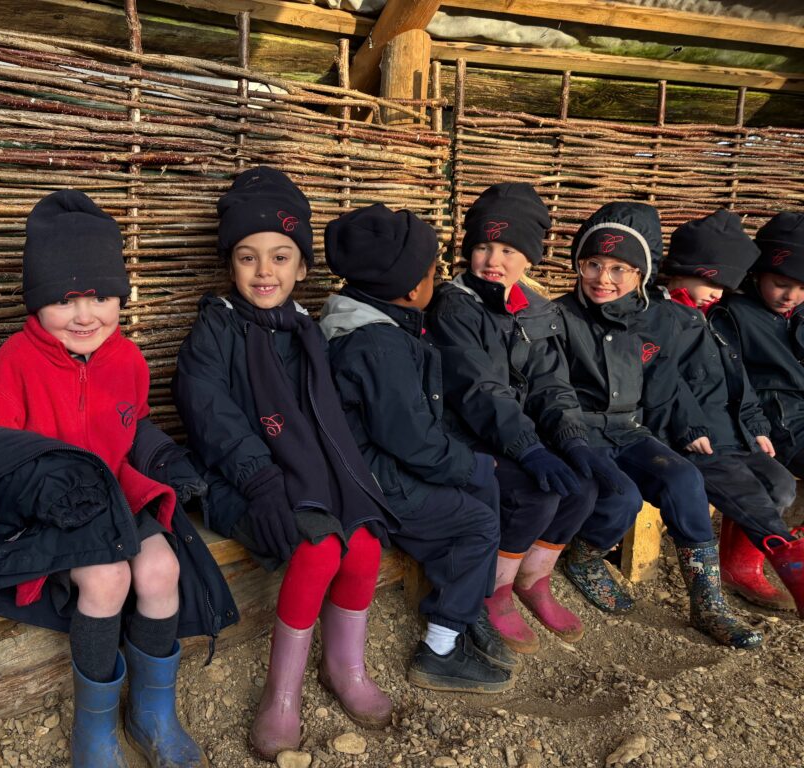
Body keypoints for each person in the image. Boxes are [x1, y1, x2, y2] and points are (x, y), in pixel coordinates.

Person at [0, 190, 206, 768]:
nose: (84, 314)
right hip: (47, 513)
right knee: (104, 578)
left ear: (119, 297)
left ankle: (153, 711)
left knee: (161, 566)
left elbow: (133, 425)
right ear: (37, 303)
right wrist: (40, 485)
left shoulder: (128, 360)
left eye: (99, 296)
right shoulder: (15, 363)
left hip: (117, 502)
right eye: (64, 299)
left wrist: (166, 462)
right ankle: (93, 732)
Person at [172, 168, 396, 761]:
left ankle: (345, 667)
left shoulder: (305, 333)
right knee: (319, 547)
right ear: (230, 264)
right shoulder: (215, 331)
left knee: (366, 544)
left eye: (279, 256)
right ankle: (282, 694)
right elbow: (212, 418)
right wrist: (263, 483)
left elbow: (327, 421)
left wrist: (352, 483)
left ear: (302, 268)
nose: (263, 272)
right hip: (238, 481)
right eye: (248, 257)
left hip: (308, 476)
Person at [426, 183, 632, 654]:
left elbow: (551, 386)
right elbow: (479, 390)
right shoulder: (455, 306)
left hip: (516, 433)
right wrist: (531, 449)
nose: (492, 260)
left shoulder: (536, 310)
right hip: (466, 433)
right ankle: (493, 590)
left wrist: (573, 440)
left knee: (583, 486)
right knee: (532, 495)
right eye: (482, 246)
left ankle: (533, 579)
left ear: (529, 259)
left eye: (507, 249)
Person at [320, 203, 516, 693]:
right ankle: (441, 647)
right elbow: (408, 439)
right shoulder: (377, 345)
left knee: (483, 485)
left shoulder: (380, 323)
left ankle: (467, 609)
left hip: (384, 465)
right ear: (412, 289)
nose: (439, 280)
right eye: (434, 273)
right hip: (375, 482)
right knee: (478, 521)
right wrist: (466, 462)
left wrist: (471, 466)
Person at [553, 201, 761, 648]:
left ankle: (708, 604)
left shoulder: (654, 321)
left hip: (628, 430)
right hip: (575, 432)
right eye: (593, 263)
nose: (603, 278)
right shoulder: (558, 318)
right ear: (578, 263)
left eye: (619, 268)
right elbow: (548, 390)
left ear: (642, 273)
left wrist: (687, 430)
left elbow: (664, 385)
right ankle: (585, 556)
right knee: (621, 497)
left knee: (684, 479)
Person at [708, 211, 804, 617]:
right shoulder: (733, 314)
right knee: (774, 481)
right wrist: (752, 427)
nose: (791, 296)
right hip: (773, 420)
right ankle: (740, 565)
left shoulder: (800, 312)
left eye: (802, 288)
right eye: (781, 284)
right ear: (758, 273)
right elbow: (731, 380)